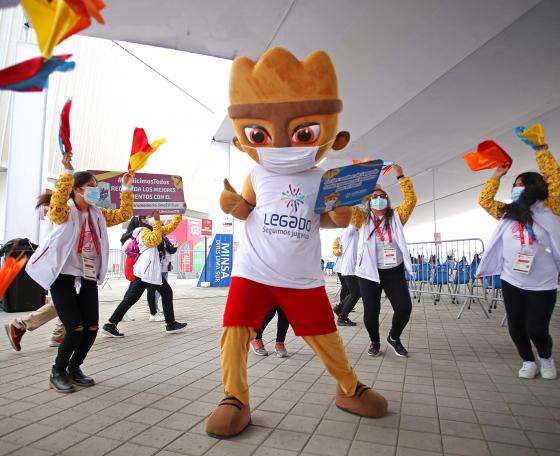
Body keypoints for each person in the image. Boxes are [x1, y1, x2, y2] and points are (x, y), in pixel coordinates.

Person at [26, 153, 134, 393]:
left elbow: (123, 215)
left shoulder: (98, 213)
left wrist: (126, 187)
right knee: (74, 328)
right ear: (76, 190)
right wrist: (66, 174)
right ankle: (57, 371)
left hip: (87, 276)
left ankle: (75, 367)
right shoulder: (63, 211)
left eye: (97, 187)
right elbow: (56, 207)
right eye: (90, 187)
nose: (95, 191)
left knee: (91, 328)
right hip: (63, 276)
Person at [476, 126, 559, 380]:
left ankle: (545, 358)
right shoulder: (508, 212)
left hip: (542, 282)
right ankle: (527, 360)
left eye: (521, 185)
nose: (516, 189)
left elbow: (555, 180)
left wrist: (541, 151)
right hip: (512, 279)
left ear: (535, 188)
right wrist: (497, 176)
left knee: (537, 327)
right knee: (516, 325)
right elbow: (485, 200)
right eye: (514, 185)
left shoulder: (552, 209)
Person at [353, 163, 417, 358]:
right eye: (374, 197)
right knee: (371, 310)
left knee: (404, 308)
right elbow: (347, 205)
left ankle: (394, 337)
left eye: (382, 197)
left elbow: (411, 200)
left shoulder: (397, 216)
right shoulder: (361, 218)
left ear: (388, 201)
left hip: (393, 271)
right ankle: (374, 340)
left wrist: (400, 175)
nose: (379, 199)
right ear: (368, 202)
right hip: (369, 273)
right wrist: (363, 185)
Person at [102, 210, 187, 336]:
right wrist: (157, 221)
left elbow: (169, 228)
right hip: (147, 270)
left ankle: (110, 324)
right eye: (150, 216)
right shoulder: (143, 231)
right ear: (143, 221)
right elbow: (154, 240)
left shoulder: (153, 229)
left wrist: (179, 213)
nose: (153, 217)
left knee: (134, 297)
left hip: (148, 270)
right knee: (159, 293)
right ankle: (170, 324)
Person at [332, 219, 360, 326]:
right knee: (355, 293)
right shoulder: (349, 230)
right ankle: (342, 317)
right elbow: (355, 218)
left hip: (354, 268)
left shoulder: (357, 232)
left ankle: (339, 309)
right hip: (349, 268)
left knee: (356, 292)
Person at [146, 235, 177, 319]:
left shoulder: (165, 239)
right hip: (156, 267)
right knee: (158, 290)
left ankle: (153, 309)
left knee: (162, 290)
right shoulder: (153, 237)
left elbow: (171, 250)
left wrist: (174, 247)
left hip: (165, 266)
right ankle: (153, 309)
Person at [332, 234, 350, 312]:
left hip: (350, 267)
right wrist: (340, 249)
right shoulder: (339, 237)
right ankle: (342, 305)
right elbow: (335, 252)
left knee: (351, 289)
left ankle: (346, 304)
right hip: (340, 268)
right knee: (345, 286)